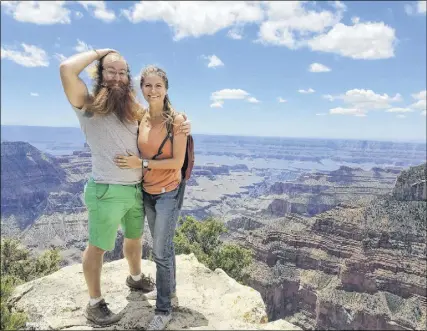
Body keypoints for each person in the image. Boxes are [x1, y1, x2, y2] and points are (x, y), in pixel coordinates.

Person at [59, 49, 191, 326]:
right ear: (99, 74)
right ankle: (95, 304)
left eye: (122, 73)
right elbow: (66, 69)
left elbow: (159, 116)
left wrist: (182, 122)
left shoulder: (132, 109)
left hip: (136, 190)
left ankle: (135, 278)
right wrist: (102, 52)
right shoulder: (87, 103)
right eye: (110, 71)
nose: (117, 77)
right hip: (106, 190)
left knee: (133, 239)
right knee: (98, 246)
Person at [114, 65, 188, 330]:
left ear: (166, 88)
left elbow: (178, 162)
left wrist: (140, 164)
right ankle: (172, 293)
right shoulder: (140, 116)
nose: (153, 90)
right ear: (142, 88)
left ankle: (164, 309)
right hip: (146, 191)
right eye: (148, 85)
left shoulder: (176, 121)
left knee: (159, 250)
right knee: (164, 247)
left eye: (158, 86)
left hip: (168, 191)